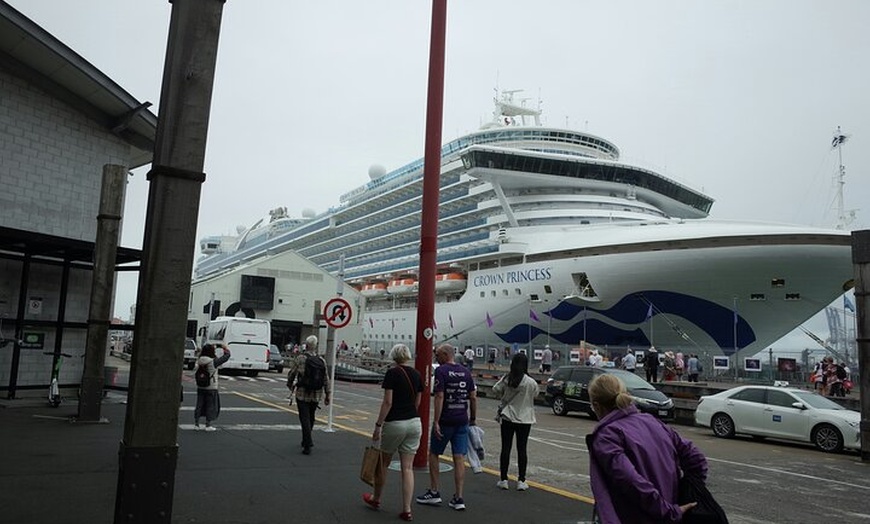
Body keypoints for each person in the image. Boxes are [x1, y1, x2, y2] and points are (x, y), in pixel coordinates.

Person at [586, 373, 708, 523]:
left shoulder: (607, 436)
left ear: (597, 406)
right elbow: (697, 459)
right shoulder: (652, 421)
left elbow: (630, 481)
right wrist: (684, 495)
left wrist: (666, 510)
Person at [363, 344, 423, 522]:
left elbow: (387, 402)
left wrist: (378, 425)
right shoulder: (417, 374)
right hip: (414, 422)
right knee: (407, 468)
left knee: (383, 463)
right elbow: (417, 402)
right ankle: (407, 509)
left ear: (393, 356)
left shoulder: (392, 373)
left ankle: (376, 498)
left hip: (395, 423)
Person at [416, 343, 477, 511]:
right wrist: (473, 419)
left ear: (445, 354)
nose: (436, 357)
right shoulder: (466, 371)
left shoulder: (441, 371)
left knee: (434, 454)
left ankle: (435, 492)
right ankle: (459, 497)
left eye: (437, 354)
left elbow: (440, 396)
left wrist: (436, 421)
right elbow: (473, 397)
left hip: (446, 421)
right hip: (462, 420)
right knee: (459, 458)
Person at [491, 352, 538, 491]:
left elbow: (495, 389)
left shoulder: (507, 379)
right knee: (522, 449)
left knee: (506, 448)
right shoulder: (530, 382)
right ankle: (521, 481)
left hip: (508, 416)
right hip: (525, 418)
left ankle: (503, 479)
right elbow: (536, 394)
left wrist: (504, 397)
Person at [286, 335, 331, 455]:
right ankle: (306, 439)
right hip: (316, 393)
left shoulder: (300, 358)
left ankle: (307, 443)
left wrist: (289, 384)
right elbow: (326, 378)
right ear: (315, 346)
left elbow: (292, 373)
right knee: (311, 417)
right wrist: (328, 394)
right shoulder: (321, 360)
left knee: (304, 418)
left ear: (306, 345)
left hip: (302, 393)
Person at [194, 343, 231, 431]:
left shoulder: (199, 360)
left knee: (199, 405)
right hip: (211, 387)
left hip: (200, 386)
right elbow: (227, 356)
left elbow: (200, 352)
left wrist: (210, 346)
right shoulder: (213, 361)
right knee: (211, 405)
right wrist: (224, 348)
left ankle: (196, 424)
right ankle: (208, 425)